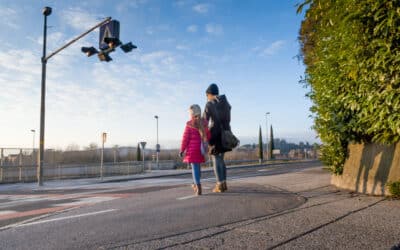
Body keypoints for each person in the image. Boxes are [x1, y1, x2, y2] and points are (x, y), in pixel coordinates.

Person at [203, 83, 232, 193]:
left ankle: (219, 185)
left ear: (210, 94)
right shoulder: (226, 103)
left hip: (215, 134)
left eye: (207, 95)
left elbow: (204, 121)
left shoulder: (209, 104)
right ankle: (224, 183)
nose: (207, 98)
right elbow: (228, 118)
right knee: (221, 160)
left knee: (216, 159)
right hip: (226, 133)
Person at [180, 104, 210, 195]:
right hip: (201, 150)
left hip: (192, 150)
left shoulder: (189, 124)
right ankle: (195, 183)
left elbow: (185, 138)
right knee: (198, 167)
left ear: (191, 114)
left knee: (195, 168)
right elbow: (208, 136)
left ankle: (198, 186)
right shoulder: (204, 123)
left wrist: (182, 150)